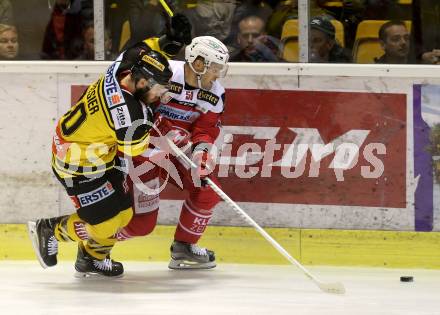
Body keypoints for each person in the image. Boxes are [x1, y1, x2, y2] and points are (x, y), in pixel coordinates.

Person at [27, 14, 192, 278]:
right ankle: (50, 229)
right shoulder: (131, 115)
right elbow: (137, 150)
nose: (161, 95)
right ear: (141, 83)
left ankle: (92, 258)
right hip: (77, 163)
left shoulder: (123, 68)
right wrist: (172, 139)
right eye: (158, 90)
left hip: (100, 150)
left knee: (124, 214)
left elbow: (144, 48)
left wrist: (168, 41)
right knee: (104, 225)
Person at [115, 36, 229, 270]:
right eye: (215, 69)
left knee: (207, 190)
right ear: (198, 64)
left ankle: (184, 248)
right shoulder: (165, 73)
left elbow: (205, 129)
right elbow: (129, 100)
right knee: (141, 224)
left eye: (220, 69)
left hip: (176, 148)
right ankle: (94, 248)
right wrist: (156, 124)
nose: (217, 75)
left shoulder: (216, 92)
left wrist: (201, 153)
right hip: (142, 151)